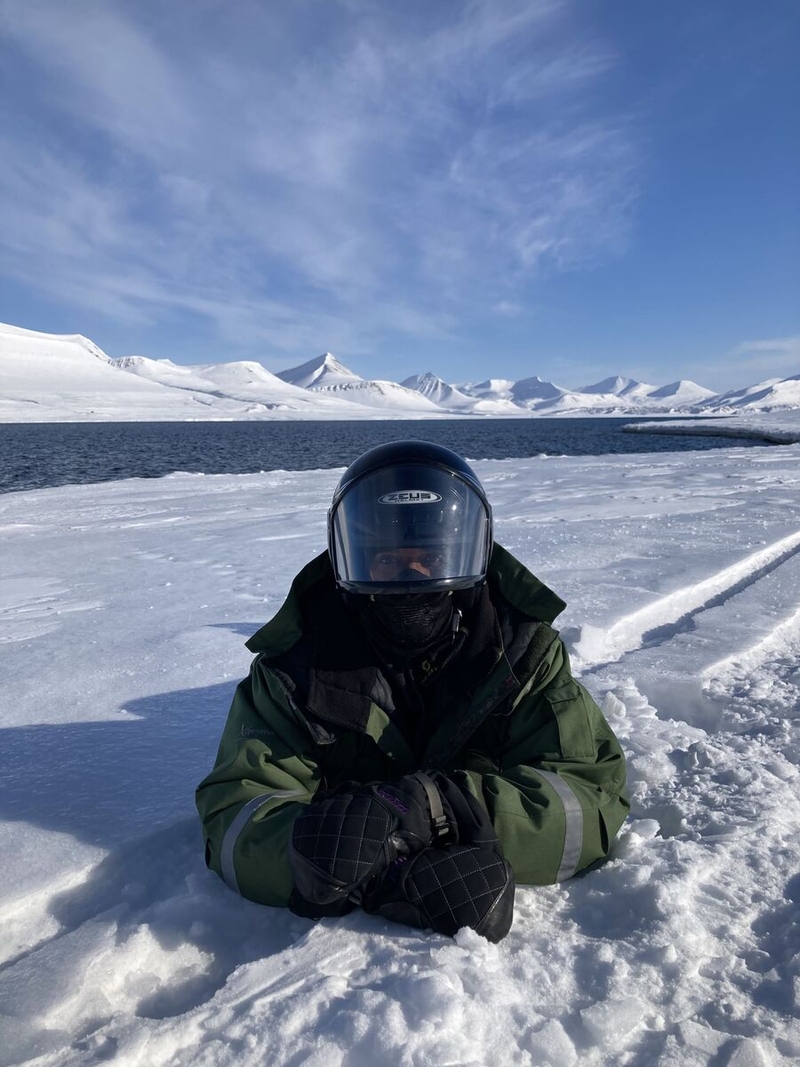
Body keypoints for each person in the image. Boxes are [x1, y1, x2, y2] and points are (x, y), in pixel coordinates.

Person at [196, 441, 628, 942]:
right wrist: (353, 867)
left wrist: (446, 807)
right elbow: (235, 819)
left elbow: (588, 797)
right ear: (350, 560)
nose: (411, 576)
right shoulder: (294, 673)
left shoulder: (522, 656)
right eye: (387, 560)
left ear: (465, 554)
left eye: (429, 558)